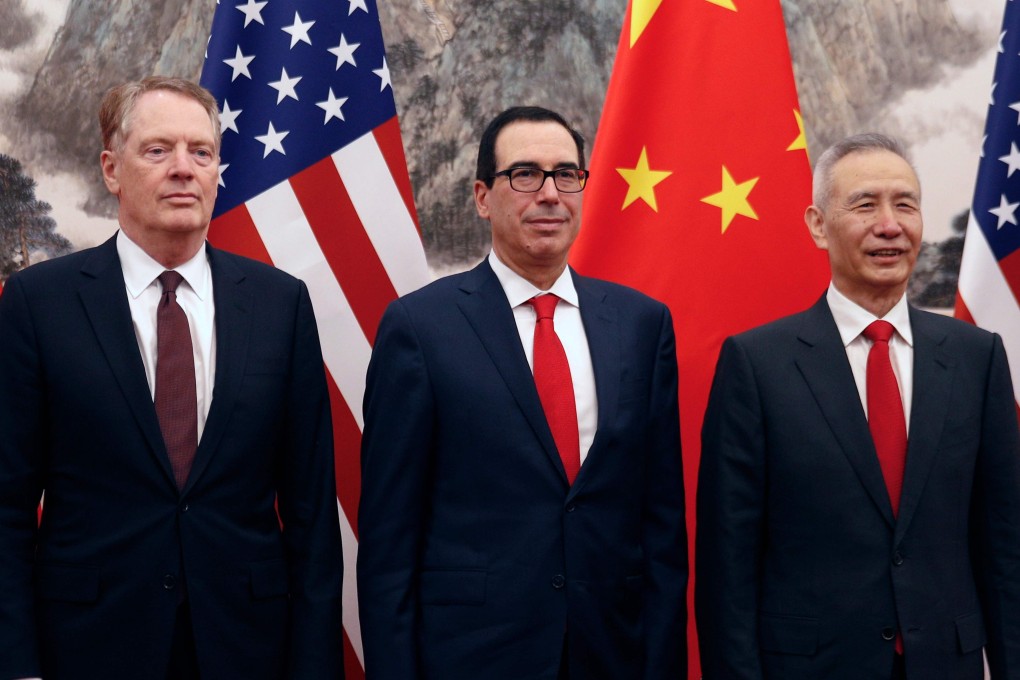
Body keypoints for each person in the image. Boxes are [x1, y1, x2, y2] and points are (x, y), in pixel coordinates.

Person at [0, 77, 344, 679]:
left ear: (218, 171)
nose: (183, 169)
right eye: (158, 150)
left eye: (201, 152)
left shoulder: (280, 305)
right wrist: (18, 666)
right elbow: (5, 506)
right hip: (86, 649)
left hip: (247, 649)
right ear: (112, 169)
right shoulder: (37, 303)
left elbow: (313, 517)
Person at [357, 106, 687, 679]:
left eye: (566, 174)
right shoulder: (420, 327)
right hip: (474, 655)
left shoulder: (641, 324)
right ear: (484, 197)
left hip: (612, 649)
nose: (550, 194)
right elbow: (390, 542)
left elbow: (661, 527)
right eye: (526, 174)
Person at [695, 132, 1020, 679]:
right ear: (818, 225)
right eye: (865, 204)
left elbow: (1005, 548)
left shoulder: (976, 357)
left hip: (946, 663)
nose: (889, 224)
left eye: (905, 204)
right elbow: (727, 567)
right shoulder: (757, 364)